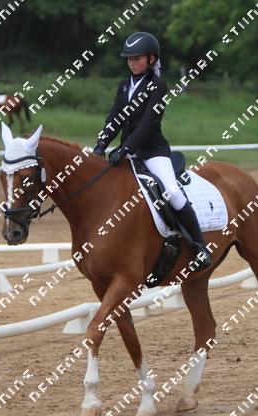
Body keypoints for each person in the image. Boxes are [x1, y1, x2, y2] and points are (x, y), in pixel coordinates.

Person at [93, 31, 212, 271]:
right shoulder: (124, 85)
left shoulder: (158, 86)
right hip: (127, 152)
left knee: (172, 192)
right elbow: (114, 118)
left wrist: (125, 149)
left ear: (151, 59)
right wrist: (101, 145)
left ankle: (200, 246)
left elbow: (148, 124)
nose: (132, 63)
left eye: (137, 58)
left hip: (152, 152)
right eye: (129, 59)